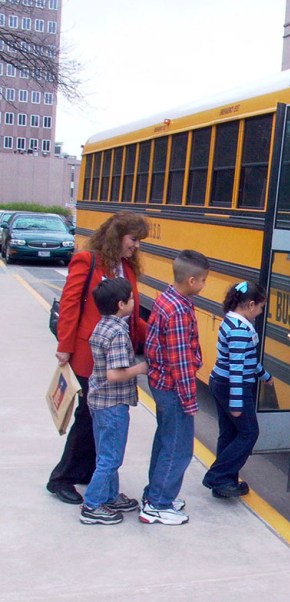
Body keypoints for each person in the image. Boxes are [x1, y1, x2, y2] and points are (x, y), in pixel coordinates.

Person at [47, 211, 149, 505]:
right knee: (87, 417)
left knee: (96, 419)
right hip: (86, 355)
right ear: (117, 236)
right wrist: (64, 345)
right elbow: (69, 305)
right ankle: (61, 479)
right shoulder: (87, 261)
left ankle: (88, 471)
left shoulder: (126, 268)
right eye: (134, 239)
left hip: (112, 355)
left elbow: (131, 316)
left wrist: (152, 331)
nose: (137, 246)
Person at [139, 249, 209, 525]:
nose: (204, 285)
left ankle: (155, 493)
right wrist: (190, 402)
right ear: (192, 281)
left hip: (160, 383)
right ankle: (158, 504)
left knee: (165, 441)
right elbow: (180, 363)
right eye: (204, 280)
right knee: (178, 447)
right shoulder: (179, 310)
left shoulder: (166, 298)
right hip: (173, 388)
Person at [80, 278, 148, 525]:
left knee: (105, 453)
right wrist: (140, 368)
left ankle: (110, 496)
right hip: (112, 404)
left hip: (98, 401)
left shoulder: (101, 326)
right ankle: (93, 505)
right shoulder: (118, 332)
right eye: (130, 298)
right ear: (121, 304)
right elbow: (114, 374)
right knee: (111, 457)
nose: (133, 301)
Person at [202, 281, 273, 498]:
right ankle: (218, 476)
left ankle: (225, 483)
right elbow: (236, 367)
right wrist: (236, 402)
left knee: (229, 433)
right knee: (249, 433)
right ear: (251, 305)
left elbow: (246, 358)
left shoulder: (231, 322)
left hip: (220, 382)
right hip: (234, 386)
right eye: (261, 308)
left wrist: (263, 376)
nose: (260, 312)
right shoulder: (240, 330)